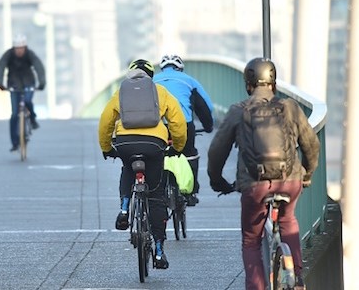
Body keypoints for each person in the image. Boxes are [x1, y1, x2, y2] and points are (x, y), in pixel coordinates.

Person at [207, 57, 319, 290]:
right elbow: (311, 144)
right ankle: (297, 279)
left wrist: (217, 180)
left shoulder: (239, 110)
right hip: (290, 181)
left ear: (248, 84)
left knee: (251, 240)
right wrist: (307, 173)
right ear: (274, 83)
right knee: (288, 220)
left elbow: (217, 150)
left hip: (254, 185)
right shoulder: (290, 107)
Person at [98, 59, 187, 269]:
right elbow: (177, 121)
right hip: (154, 144)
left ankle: (124, 210)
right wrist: (178, 147)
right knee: (156, 196)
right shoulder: (160, 92)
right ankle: (158, 251)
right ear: (151, 76)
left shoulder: (121, 92)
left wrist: (106, 147)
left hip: (126, 144)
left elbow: (105, 121)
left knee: (127, 169)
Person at [154, 54, 214, 206]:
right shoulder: (189, 80)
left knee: (157, 156)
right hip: (183, 125)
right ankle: (191, 192)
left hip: (159, 125)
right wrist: (208, 126)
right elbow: (206, 107)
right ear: (180, 69)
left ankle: (155, 191)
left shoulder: (153, 81)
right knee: (189, 153)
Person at [0, 33, 46, 151]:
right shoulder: (8, 55)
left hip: (29, 83)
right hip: (14, 85)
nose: (19, 51)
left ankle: (32, 118)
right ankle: (15, 142)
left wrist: (42, 82)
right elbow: (1, 67)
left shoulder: (30, 54)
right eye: (17, 48)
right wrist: (0, 82)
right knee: (14, 114)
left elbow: (38, 67)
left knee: (28, 100)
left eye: (21, 48)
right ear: (14, 48)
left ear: (25, 47)